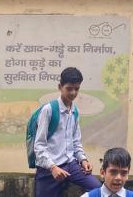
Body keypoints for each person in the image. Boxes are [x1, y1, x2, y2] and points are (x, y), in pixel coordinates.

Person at [34, 67, 101, 197]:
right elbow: (39, 146)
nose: (73, 93)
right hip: (49, 169)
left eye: (77, 89)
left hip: (71, 164)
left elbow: (76, 141)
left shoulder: (75, 111)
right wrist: (52, 167)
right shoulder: (48, 110)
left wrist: (83, 160)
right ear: (60, 86)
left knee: (97, 189)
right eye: (69, 88)